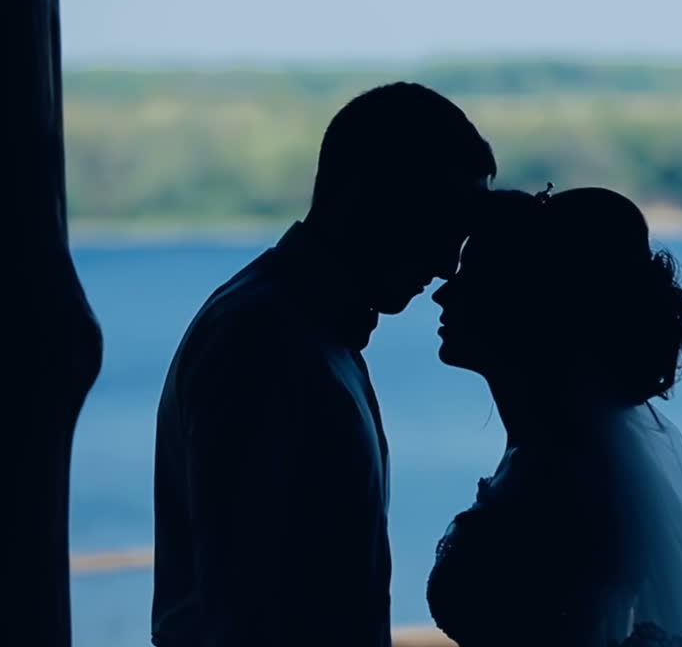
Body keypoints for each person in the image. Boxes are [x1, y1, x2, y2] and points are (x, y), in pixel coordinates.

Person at [152, 83, 494, 647]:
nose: (444, 264)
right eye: (439, 222)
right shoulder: (261, 343)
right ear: (368, 195)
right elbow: (245, 605)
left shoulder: (296, 329)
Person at [426, 186, 682, 647]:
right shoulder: (554, 454)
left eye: (473, 278)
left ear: (527, 306)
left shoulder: (563, 477)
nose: (442, 294)